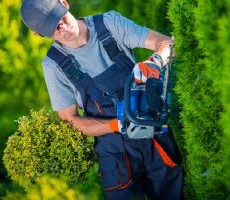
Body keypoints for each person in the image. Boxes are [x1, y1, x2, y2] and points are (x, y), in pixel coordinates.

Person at [20, 0, 183, 199]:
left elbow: (167, 43)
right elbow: (71, 122)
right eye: (53, 29)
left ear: (64, 3)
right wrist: (118, 125)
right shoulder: (54, 66)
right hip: (115, 154)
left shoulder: (109, 24)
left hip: (155, 135)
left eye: (59, 18)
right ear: (39, 35)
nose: (62, 28)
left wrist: (156, 61)